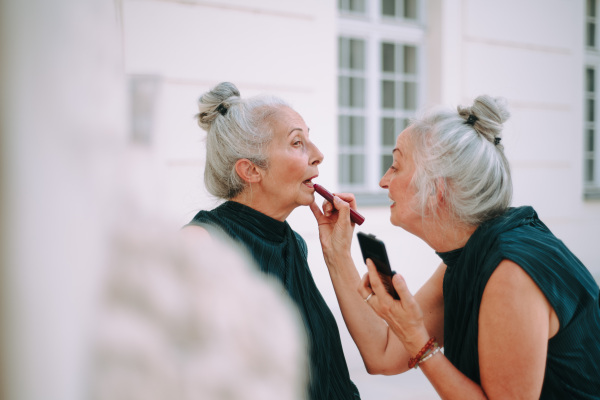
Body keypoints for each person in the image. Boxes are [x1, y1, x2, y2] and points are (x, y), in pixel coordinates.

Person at [310, 95, 600, 399]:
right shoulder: (468, 256)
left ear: (436, 188)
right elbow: (383, 353)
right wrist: (337, 251)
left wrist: (416, 339)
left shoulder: (511, 273)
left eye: (395, 166)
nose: (384, 181)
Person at [181, 82, 361, 400]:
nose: (318, 155)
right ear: (251, 170)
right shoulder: (199, 246)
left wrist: (338, 252)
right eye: (297, 142)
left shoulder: (293, 244)